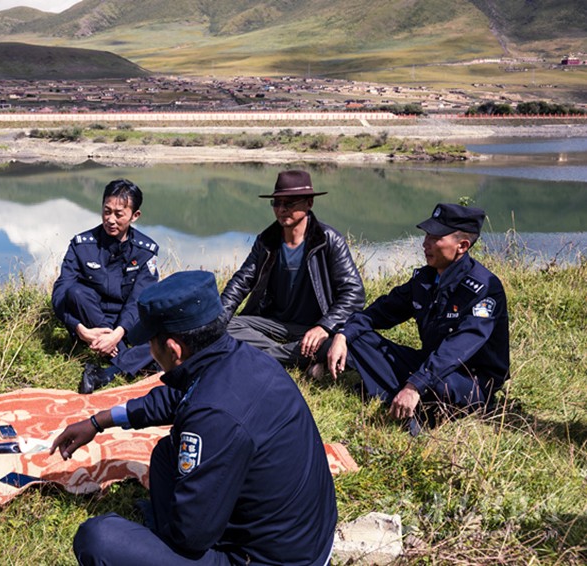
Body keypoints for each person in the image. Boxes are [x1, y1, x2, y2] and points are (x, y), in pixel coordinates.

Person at [51, 271, 337, 566]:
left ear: (173, 348)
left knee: (99, 539)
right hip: (307, 539)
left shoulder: (213, 417)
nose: (150, 351)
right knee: (167, 452)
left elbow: (192, 535)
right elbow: (175, 397)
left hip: (267, 560)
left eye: (151, 343)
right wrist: (98, 421)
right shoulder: (245, 359)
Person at [327, 203, 510, 434]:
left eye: (435, 238)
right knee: (358, 338)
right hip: (429, 364)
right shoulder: (425, 279)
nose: (425, 243)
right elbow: (381, 312)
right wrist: (343, 335)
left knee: (439, 387)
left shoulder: (482, 289)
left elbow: (457, 349)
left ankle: (402, 397)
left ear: (462, 246)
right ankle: (402, 396)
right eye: (426, 235)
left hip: (469, 378)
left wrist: (416, 384)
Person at [220, 169, 365, 373]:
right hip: (273, 323)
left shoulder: (329, 240)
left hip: (314, 326)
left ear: (309, 203)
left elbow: (354, 293)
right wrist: (217, 320)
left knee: (342, 343)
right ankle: (295, 358)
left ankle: (261, 355)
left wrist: (324, 326)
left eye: (289, 203)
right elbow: (241, 282)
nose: (281, 209)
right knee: (226, 327)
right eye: (276, 203)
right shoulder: (266, 240)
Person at [52, 179, 159, 394]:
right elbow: (60, 293)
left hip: (128, 323)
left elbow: (139, 299)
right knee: (75, 292)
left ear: (135, 215)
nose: (110, 219)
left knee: (172, 330)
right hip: (91, 320)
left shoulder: (145, 251)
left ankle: (106, 372)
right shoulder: (81, 244)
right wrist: (80, 330)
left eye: (119, 214)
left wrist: (116, 335)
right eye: (107, 211)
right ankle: (139, 361)